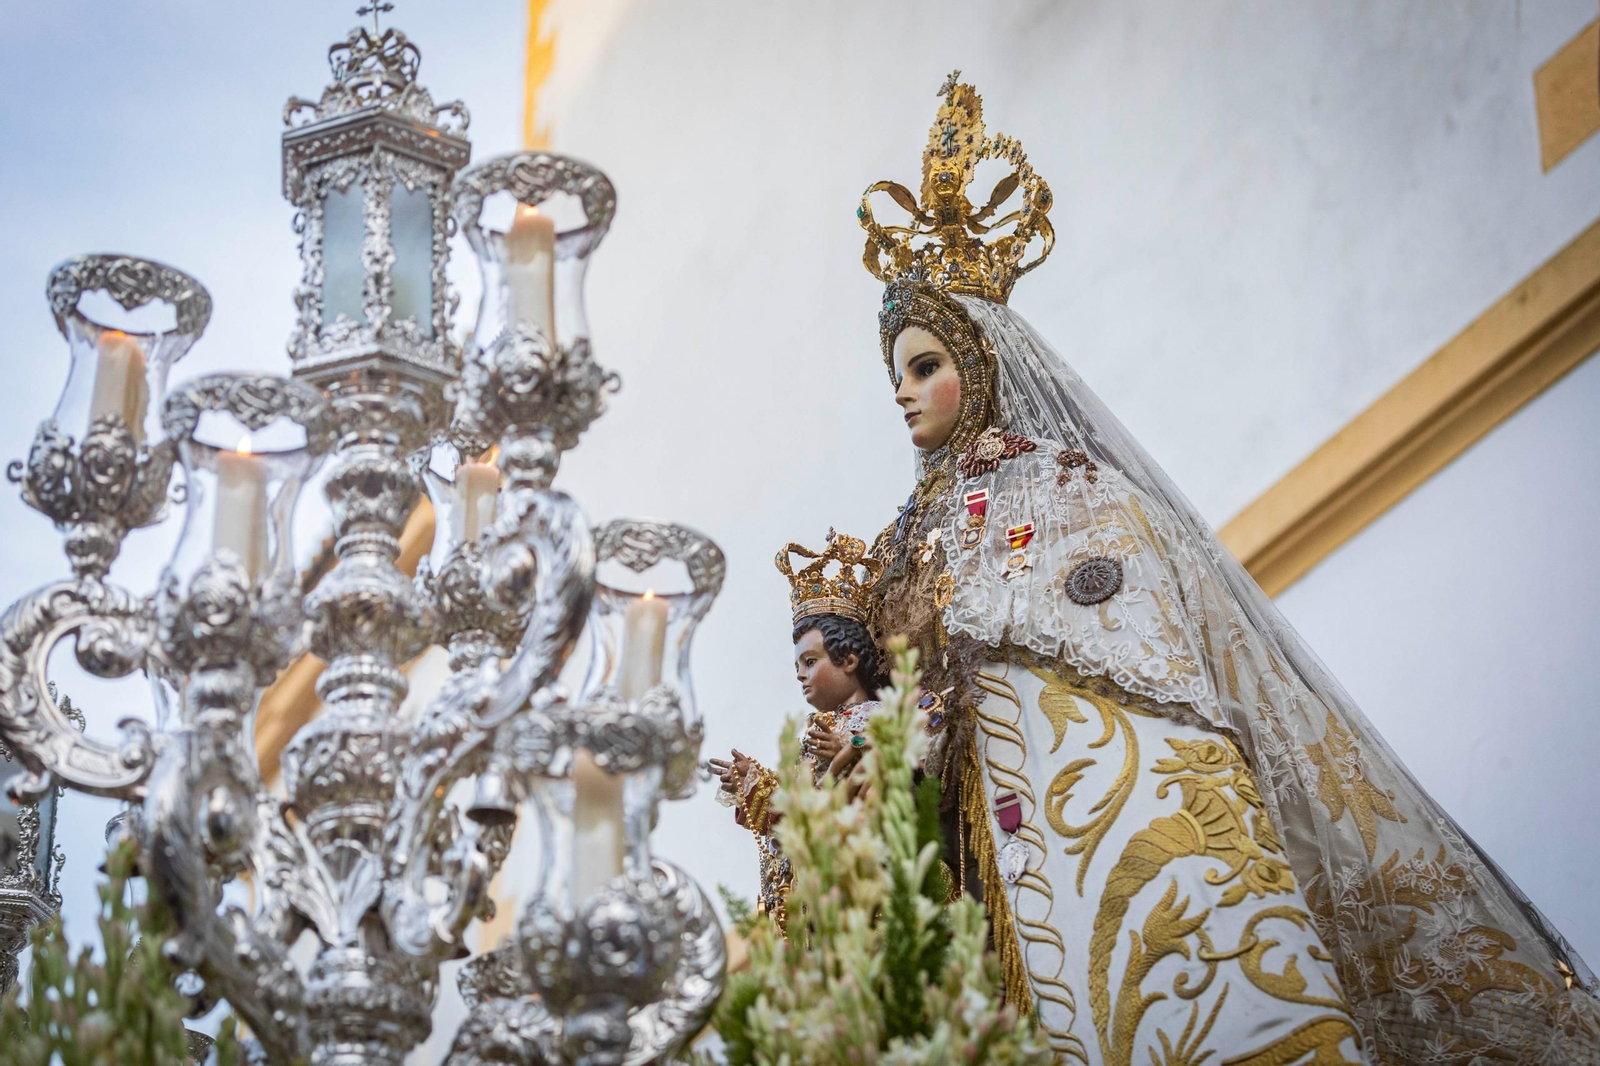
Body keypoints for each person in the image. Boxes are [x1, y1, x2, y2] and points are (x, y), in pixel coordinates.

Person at [855, 74, 1600, 1065]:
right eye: (895, 376)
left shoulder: (1070, 489)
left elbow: (1125, 653)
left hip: (1084, 836)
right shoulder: (909, 535)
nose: (905, 395)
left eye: (923, 365)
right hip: (973, 850)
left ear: (982, 365)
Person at [709, 530, 886, 927]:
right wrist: (752, 785)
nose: (801, 676)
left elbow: (907, 755)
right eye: (796, 667)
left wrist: (852, 743)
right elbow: (797, 812)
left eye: (810, 661)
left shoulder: (878, 717)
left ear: (850, 659)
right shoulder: (812, 735)